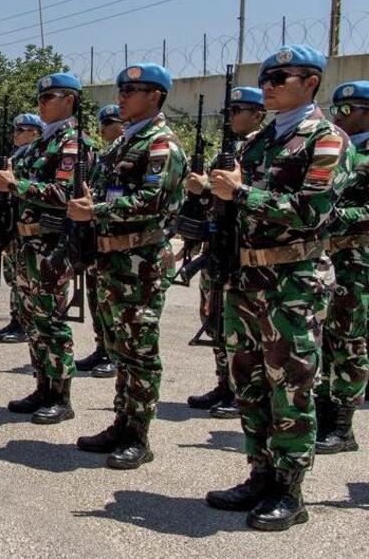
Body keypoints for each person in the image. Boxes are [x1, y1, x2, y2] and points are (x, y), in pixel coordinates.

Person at [204, 44, 348, 530]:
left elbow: (313, 211)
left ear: (310, 83)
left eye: (280, 76)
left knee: (291, 384)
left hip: (292, 281)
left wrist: (242, 192)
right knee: (249, 381)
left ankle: (290, 490)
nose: (268, 84)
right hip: (248, 278)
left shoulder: (326, 140)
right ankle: (260, 473)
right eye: (265, 77)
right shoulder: (258, 141)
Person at [69, 63, 185, 470]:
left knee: (140, 351)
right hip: (111, 259)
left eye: (132, 89)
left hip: (140, 263)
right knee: (120, 347)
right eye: (121, 88)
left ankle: (139, 435)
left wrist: (95, 210)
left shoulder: (160, 145)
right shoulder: (121, 144)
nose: (122, 95)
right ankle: (122, 422)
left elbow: (152, 202)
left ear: (156, 96)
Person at [0, 73, 88, 424]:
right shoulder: (37, 144)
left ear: (70, 100)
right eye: (41, 96)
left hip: (50, 245)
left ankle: (61, 396)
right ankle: (42, 386)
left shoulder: (72, 143)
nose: (42, 102)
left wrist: (18, 185)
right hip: (26, 243)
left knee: (51, 320)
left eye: (51, 96)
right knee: (33, 320)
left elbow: (65, 194)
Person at [184, 87, 266, 420]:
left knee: (245, 329)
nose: (231, 117)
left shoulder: (262, 152)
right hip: (218, 246)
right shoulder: (230, 154)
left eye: (239, 110)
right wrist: (201, 192)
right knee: (215, 317)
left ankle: (241, 390)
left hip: (244, 250)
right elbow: (215, 206)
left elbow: (255, 198)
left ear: (258, 115)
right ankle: (224, 384)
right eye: (229, 110)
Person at [315, 79, 369, 455]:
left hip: (358, 261)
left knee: (349, 341)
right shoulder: (338, 151)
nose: (339, 117)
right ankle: (323, 407)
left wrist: (336, 215)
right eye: (337, 109)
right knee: (325, 338)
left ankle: (343, 424)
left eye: (347, 110)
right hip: (330, 256)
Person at [75, 104, 124, 378]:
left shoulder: (124, 154)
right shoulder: (103, 156)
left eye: (109, 123)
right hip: (98, 236)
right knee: (97, 298)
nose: (104, 128)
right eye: (103, 124)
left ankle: (115, 355)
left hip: (118, 237)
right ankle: (102, 348)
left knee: (114, 302)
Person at [0, 112, 43, 344]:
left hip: (28, 226)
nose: (16, 134)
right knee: (14, 277)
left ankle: (25, 323)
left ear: (34, 133)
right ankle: (16, 319)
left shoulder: (34, 157)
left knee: (25, 281)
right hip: (13, 224)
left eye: (22, 130)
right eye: (16, 130)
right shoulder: (16, 157)